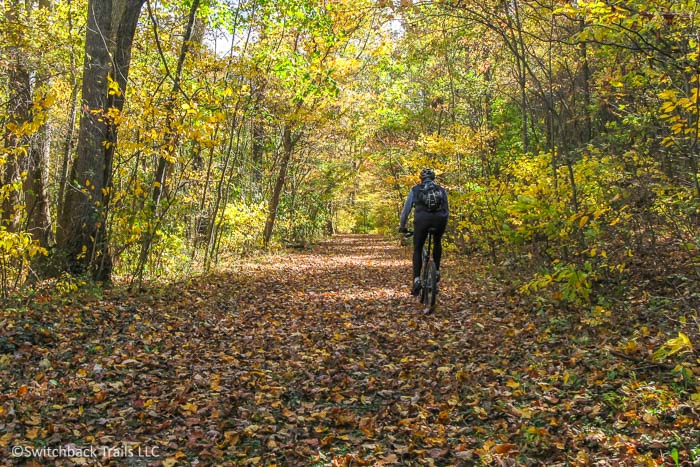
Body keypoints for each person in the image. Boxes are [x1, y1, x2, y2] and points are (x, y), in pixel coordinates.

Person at [398, 168, 449, 296]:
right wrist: (443, 224)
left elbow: (406, 211)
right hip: (439, 220)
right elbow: (446, 209)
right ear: (433, 179)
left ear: (421, 179)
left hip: (422, 221)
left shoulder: (415, 190)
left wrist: (402, 226)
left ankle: (416, 280)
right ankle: (436, 270)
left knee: (418, 248)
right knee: (437, 242)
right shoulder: (441, 190)